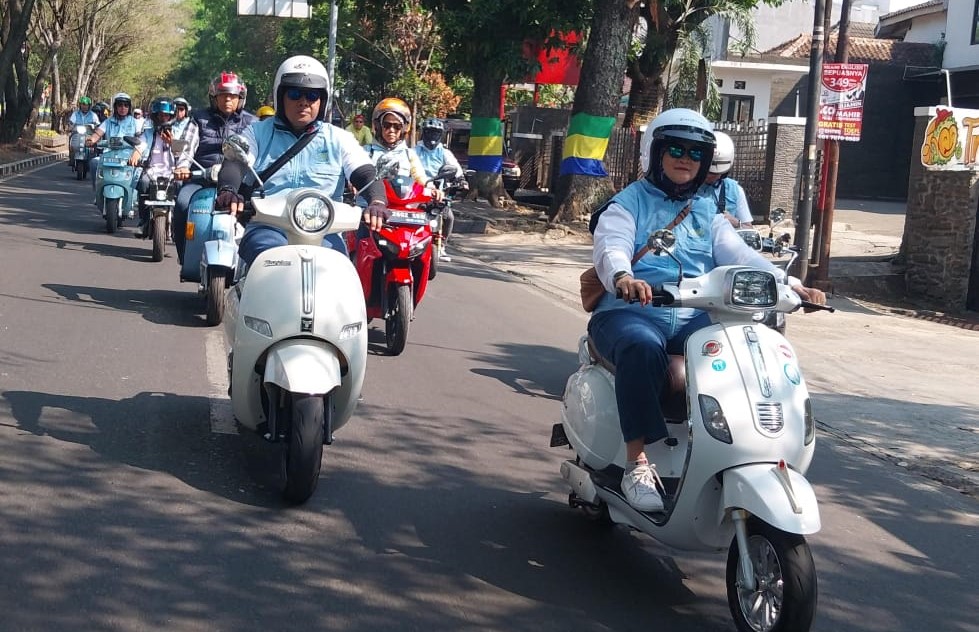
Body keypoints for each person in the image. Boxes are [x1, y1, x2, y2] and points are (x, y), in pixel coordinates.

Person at [587, 108, 826, 512]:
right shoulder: (626, 203)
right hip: (630, 311)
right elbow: (611, 246)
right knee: (642, 348)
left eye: (696, 153)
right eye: (676, 149)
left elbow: (740, 254)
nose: (685, 159)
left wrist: (792, 285)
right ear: (656, 153)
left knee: (743, 347)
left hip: (693, 313)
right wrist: (624, 276)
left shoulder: (706, 211)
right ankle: (637, 463)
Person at [213, 55, 389, 266]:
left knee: (342, 273)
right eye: (295, 94)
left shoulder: (339, 138)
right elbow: (236, 162)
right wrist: (228, 191)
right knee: (274, 260)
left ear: (322, 101)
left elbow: (365, 172)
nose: (304, 102)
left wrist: (377, 202)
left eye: (312, 95)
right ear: (281, 96)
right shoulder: (256, 132)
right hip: (267, 228)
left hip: (325, 231)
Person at [172, 71, 257, 265]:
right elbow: (187, 145)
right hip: (202, 179)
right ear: (214, 98)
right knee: (183, 204)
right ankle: (186, 256)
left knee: (258, 212)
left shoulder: (252, 123)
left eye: (233, 96)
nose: (228, 99)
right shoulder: (199, 119)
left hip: (240, 184)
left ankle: (252, 266)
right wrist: (183, 167)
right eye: (223, 95)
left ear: (240, 99)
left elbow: (257, 155)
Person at [134, 97, 193, 238]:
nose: (163, 118)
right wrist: (135, 154)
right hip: (151, 172)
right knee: (142, 183)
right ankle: (143, 221)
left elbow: (184, 153)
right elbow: (140, 145)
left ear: (171, 116)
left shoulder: (178, 133)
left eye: (166, 115)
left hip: (173, 173)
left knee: (181, 189)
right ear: (154, 116)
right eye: (160, 115)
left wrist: (172, 142)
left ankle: (178, 224)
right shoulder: (148, 133)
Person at [413, 117, 465, 261]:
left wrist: (461, 180)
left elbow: (455, 168)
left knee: (449, 217)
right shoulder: (414, 151)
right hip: (417, 191)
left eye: (436, 133)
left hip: (439, 191)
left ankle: (441, 246)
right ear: (424, 133)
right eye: (429, 132)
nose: (432, 136)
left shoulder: (444, 152)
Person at [86, 92, 144, 190]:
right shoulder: (108, 121)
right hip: (108, 155)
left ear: (129, 108)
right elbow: (97, 134)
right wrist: (91, 140)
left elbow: (141, 138)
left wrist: (137, 150)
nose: (123, 108)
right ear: (115, 107)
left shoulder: (135, 122)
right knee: (94, 163)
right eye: (120, 105)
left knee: (139, 171)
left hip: (128, 157)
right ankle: (98, 190)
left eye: (126, 105)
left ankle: (133, 194)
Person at [700, 131, 753, 229]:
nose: (708, 176)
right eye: (705, 171)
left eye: (714, 173)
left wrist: (735, 222)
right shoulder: (685, 185)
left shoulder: (735, 190)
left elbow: (749, 229)